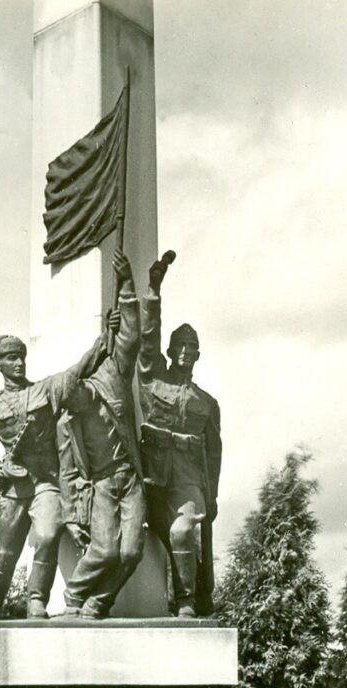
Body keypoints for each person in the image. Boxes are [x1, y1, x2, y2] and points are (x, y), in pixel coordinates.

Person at [0, 327, 106, 623]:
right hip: (13, 488)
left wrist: (103, 342)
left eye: (21, 357)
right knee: (6, 551)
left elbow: (76, 373)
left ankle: (36, 600)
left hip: (46, 482)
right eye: (10, 358)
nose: (18, 363)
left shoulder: (44, 390)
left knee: (47, 536)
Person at [57, 250, 145, 618]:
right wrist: (72, 516)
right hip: (103, 485)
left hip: (130, 477)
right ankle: (74, 597)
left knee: (131, 551)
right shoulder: (67, 423)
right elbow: (66, 473)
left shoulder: (113, 378)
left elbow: (131, 336)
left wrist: (126, 284)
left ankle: (99, 602)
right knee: (106, 550)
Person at [138, 252, 222, 617]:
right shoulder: (153, 378)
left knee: (183, 532)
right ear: (170, 351)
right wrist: (154, 289)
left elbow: (214, 455)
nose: (186, 352)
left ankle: (187, 600)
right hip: (152, 474)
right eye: (181, 346)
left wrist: (212, 496)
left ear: (198, 354)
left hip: (188, 477)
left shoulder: (206, 403)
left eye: (192, 348)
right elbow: (146, 335)